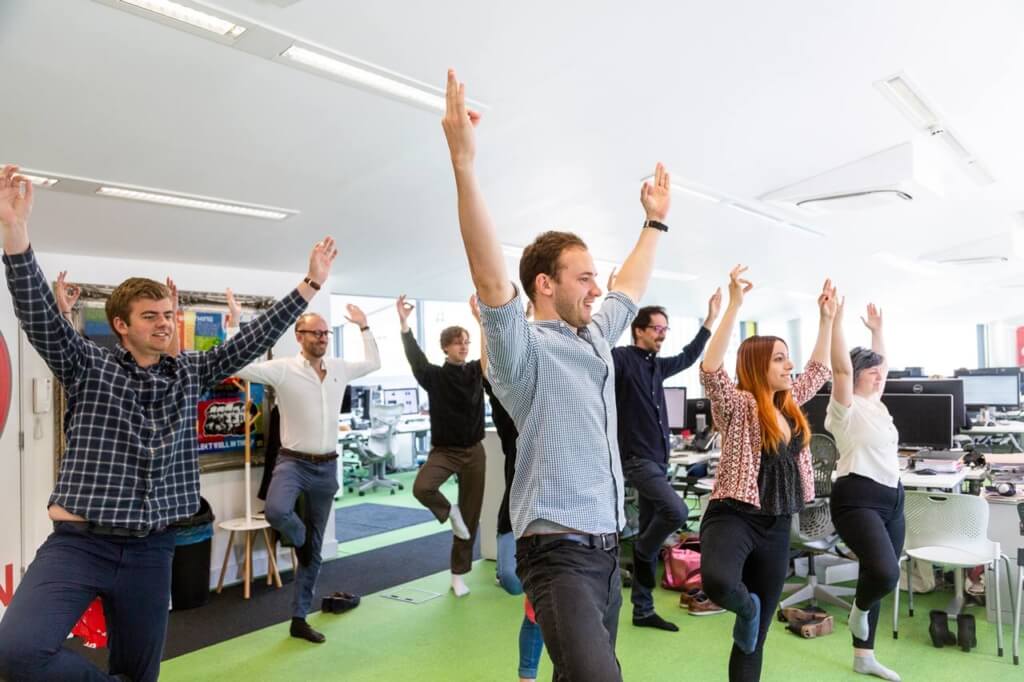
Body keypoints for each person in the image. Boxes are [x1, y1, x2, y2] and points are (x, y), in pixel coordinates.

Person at [0, 165, 336, 682]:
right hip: (79, 543)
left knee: (141, 671)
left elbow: (249, 340)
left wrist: (310, 284)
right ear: (121, 325)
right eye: (149, 316)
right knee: (17, 652)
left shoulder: (190, 372)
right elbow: (41, 317)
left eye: (166, 313)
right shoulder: (88, 365)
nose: (162, 323)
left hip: (153, 548)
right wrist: (16, 238)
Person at [441, 68, 669, 680]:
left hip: (605, 548)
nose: (598, 287)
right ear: (545, 284)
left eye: (596, 276)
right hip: (556, 552)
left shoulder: (596, 336)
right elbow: (491, 280)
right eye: (584, 276)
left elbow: (633, 284)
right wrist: (465, 164)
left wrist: (654, 222)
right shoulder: (524, 350)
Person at [698, 265, 835, 682]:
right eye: (779, 358)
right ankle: (748, 608)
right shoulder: (738, 405)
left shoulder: (791, 403)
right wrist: (734, 306)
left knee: (752, 642)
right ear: (758, 365)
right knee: (720, 582)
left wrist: (827, 320)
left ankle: (751, 619)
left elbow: (817, 370)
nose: (789, 365)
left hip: (777, 523)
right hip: (734, 515)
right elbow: (710, 371)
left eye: (786, 356)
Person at [227, 293, 381, 644]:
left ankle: (299, 618)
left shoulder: (339, 368)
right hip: (293, 463)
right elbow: (239, 368)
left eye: (326, 333)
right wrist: (236, 324)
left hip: (327, 468)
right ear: (299, 336)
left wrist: (365, 326)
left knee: (313, 551)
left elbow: (373, 361)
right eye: (315, 333)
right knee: (279, 511)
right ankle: (299, 541)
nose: (322, 338)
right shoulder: (283, 368)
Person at [612, 290, 722, 630]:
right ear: (639, 330)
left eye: (665, 329)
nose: (662, 333)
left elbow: (690, 356)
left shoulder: (657, 367)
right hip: (636, 459)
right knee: (675, 511)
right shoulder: (621, 359)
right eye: (657, 328)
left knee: (651, 524)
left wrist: (709, 321)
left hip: (658, 460)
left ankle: (642, 610)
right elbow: (596, 352)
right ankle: (644, 551)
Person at [825, 302, 903, 681]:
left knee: (875, 572)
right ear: (854, 376)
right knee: (886, 574)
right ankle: (857, 611)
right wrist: (836, 320)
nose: (878, 374)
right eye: (870, 370)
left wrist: (877, 329)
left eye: (878, 370)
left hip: (893, 498)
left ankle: (864, 657)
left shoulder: (876, 402)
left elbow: (883, 364)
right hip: (857, 498)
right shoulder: (845, 408)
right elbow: (840, 367)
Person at [475, 295, 545, 682]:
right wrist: (484, 326)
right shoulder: (508, 410)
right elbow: (490, 372)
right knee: (511, 580)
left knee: (534, 604)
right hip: (514, 507)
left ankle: (527, 675)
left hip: (550, 512)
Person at [399, 293, 486, 597]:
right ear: (446, 347)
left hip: (474, 452)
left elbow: (493, 354)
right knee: (422, 487)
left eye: (466, 341)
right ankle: (450, 512)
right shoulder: (434, 377)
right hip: (445, 452)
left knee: (472, 515)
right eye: (458, 342)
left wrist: (479, 320)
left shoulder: (477, 372)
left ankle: (458, 575)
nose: (464, 346)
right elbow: (415, 358)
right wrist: (404, 324)